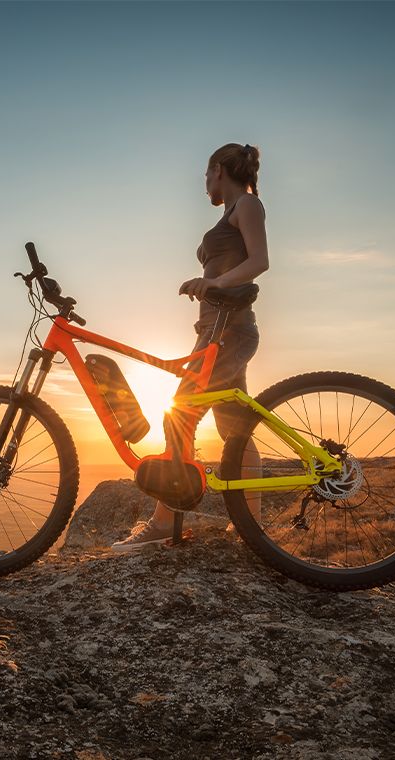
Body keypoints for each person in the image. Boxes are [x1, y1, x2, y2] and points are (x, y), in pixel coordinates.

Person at [112, 142, 269, 552]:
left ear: (219, 170)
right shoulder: (229, 213)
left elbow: (260, 261)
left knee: (179, 414)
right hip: (215, 331)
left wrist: (214, 283)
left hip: (229, 331)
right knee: (235, 429)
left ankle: (165, 522)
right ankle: (250, 525)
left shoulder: (247, 206)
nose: (204, 183)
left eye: (205, 174)